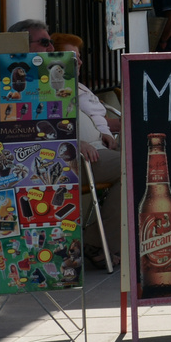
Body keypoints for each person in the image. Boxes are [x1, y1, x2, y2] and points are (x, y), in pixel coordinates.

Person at [51, 33, 124, 264]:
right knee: (136, 168)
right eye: (73, 57)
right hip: (78, 159)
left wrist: (105, 133)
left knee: (137, 169)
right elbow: (49, 128)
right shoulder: (52, 89)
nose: (79, 62)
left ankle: (98, 241)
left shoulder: (78, 86)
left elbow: (96, 118)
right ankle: (97, 241)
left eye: (80, 57)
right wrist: (75, 142)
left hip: (98, 149)